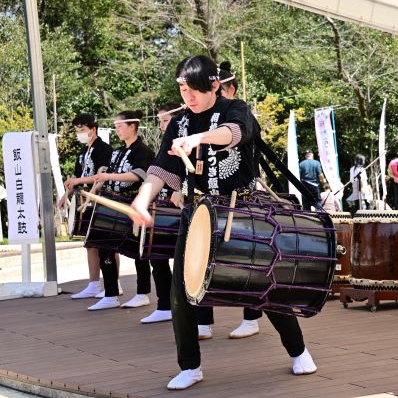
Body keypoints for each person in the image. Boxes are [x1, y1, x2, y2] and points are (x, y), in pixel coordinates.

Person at [129, 55, 317, 390]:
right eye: (184, 90)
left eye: (194, 91)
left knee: (261, 284)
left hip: (241, 210)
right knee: (181, 291)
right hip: (198, 212)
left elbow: (235, 134)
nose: (189, 98)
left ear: (214, 85)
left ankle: (298, 350)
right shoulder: (180, 123)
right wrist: (142, 201)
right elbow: (160, 169)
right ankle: (190, 366)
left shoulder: (236, 109)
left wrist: (199, 140)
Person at [215, 60, 264, 339]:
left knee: (247, 260)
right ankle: (201, 321)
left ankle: (251, 317)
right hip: (213, 197)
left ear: (230, 89)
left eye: (219, 91)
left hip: (241, 196)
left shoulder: (240, 111)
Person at [88, 110, 155, 311]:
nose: (117, 129)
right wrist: (100, 181)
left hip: (132, 204)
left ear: (132, 126)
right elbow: (109, 174)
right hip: (112, 204)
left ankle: (142, 293)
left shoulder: (142, 150)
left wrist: (109, 176)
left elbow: (138, 175)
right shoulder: (117, 152)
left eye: (120, 126)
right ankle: (110, 294)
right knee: (104, 246)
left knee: (137, 250)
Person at [57, 114, 113, 299]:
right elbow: (76, 180)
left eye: (82, 130)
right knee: (90, 243)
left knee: (104, 243)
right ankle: (94, 283)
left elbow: (102, 176)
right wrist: (66, 196)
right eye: (77, 131)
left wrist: (78, 180)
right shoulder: (83, 153)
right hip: (85, 200)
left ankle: (113, 284)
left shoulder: (103, 149)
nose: (79, 134)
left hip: (99, 198)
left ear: (92, 129)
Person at [140, 103, 185, 324]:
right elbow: (158, 170)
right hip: (166, 208)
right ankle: (165, 305)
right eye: (160, 121)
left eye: (165, 120)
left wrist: (183, 189)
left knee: (187, 263)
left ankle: (202, 320)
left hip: (190, 207)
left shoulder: (195, 136)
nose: (161, 126)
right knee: (156, 256)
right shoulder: (167, 143)